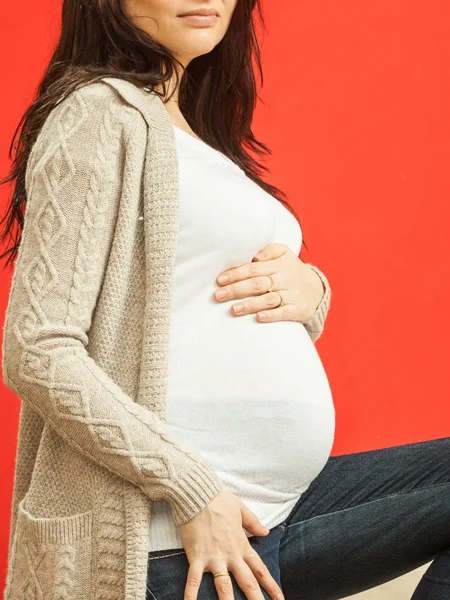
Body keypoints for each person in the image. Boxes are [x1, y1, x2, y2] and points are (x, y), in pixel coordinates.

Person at [0, 2, 449, 600]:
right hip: (175, 540)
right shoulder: (97, 114)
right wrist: (191, 488)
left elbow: (196, 298)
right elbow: (37, 349)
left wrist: (310, 292)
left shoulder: (191, 133)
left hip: (274, 517)